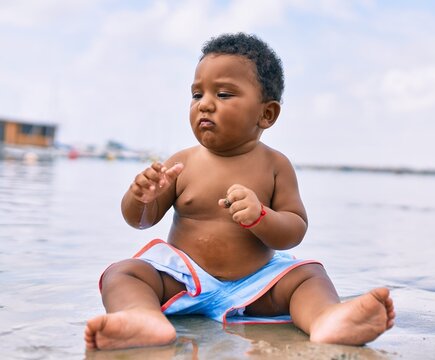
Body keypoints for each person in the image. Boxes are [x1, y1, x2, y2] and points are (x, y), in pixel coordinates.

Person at [84, 33, 395, 350]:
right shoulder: (181, 163)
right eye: (196, 94)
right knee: (124, 273)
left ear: (266, 114)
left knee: (309, 276)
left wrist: (262, 216)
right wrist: (140, 198)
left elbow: (294, 230)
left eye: (222, 94)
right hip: (183, 280)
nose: (204, 104)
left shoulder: (276, 166)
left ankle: (326, 319)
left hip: (256, 285)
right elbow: (141, 221)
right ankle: (142, 318)